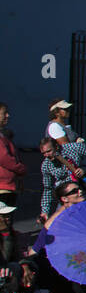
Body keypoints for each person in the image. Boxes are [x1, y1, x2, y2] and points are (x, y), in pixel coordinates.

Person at [0, 103, 24, 264]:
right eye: (4, 113)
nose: (8, 116)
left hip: (8, 186)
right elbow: (5, 159)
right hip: (3, 187)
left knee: (7, 227)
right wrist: (21, 168)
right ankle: (5, 263)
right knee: (5, 228)